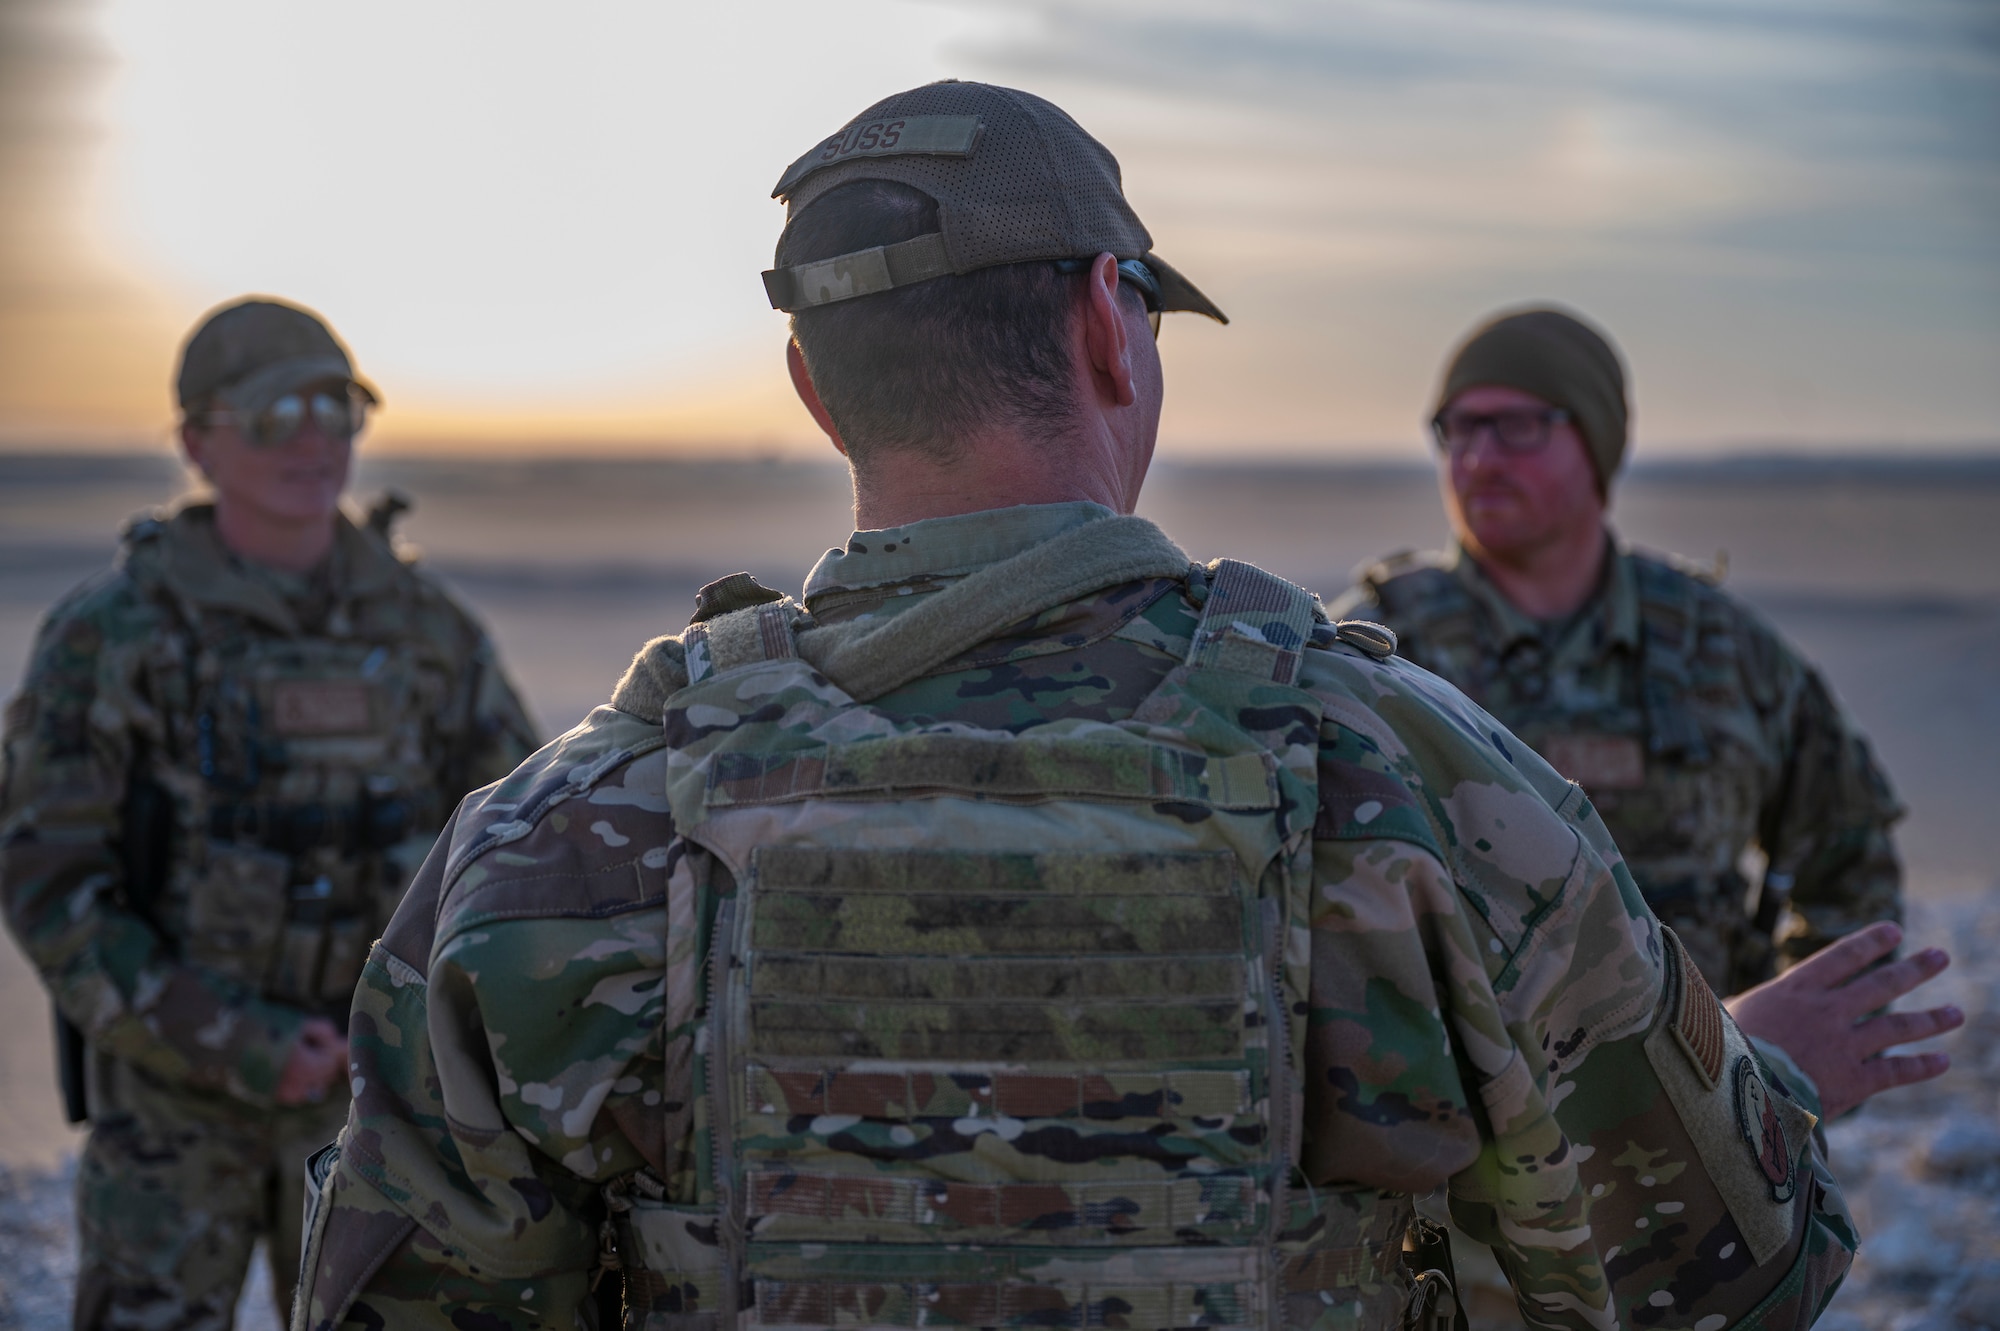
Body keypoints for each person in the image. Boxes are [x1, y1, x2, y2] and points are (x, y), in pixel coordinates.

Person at [294, 82, 1893, 1331]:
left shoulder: (548, 842)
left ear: (810, 385)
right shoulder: (1407, 775)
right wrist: (1759, 1067)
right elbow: (1717, 1277)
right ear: (1102, 328)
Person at [0, 297, 537, 1330]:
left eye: (337, 408)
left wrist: (437, 1040)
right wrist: (228, 1036)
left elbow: (515, 842)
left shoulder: (426, 632)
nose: (314, 439)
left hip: (377, 1102)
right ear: (198, 440)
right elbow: (49, 879)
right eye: (275, 412)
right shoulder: (113, 635)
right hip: (171, 1110)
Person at [1329, 309, 1906, 999]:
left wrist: (1777, 1061)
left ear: (1598, 442)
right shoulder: (1372, 658)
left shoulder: (1721, 652)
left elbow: (1850, 850)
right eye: (1459, 429)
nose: (1479, 459)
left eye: (1518, 426)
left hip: (1705, 1096)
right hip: (1446, 1102)